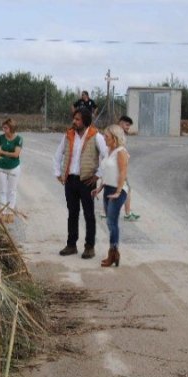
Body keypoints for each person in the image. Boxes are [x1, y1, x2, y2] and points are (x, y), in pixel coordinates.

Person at [53, 108, 108, 259]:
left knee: (89, 215)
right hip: (70, 180)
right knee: (72, 213)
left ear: (85, 120)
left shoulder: (96, 136)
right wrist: (57, 172)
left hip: (87, 181)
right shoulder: (69, 135)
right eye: (74, 119)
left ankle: (89, 247)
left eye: (77, 119)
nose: (74, 121)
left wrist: (98, 175)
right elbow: (58, 154)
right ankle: (71, 245)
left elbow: (107, 156)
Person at [91, 124, 129, 267]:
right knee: (110, 222)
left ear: (115, 138)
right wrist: (100, 188)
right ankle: (114, 252)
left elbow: (123, 173)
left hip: (118, 191)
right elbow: (106, 172)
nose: (104, 138)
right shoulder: (108, 151)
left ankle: (113, 253)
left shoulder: (121, 152)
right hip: (107, 188)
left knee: (111, 222)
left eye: (107, 136)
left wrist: (118, 192)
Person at [0, 118, 23, 223]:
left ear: (11, 128)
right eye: (3, 127)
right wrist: (3, 152)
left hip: (14, 168)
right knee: (3, 190)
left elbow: (16, 154)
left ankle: (10, 212)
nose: (4, 129)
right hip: (1, 167)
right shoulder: (0, 138)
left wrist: (4, 152)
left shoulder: (18, 139)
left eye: (6, 128)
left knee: (12, 190)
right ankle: (3, 211)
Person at [118, 115, 140, 221]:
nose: (128, 128)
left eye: (129, 126)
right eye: (126, 125)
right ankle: (127, 213)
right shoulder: (118, 135)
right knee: (126, 189)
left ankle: (126, 212)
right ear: (121, 123)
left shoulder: (119, 134)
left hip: (117, 167)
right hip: (117, 167)